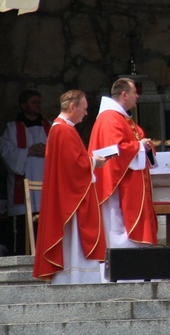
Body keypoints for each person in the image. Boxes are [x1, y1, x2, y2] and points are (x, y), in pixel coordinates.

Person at [33, 90, 107, 283]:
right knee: (74, 241)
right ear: (72, 107)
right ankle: (76, 277)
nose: (86, 113)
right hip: (71, 199)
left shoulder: (61, 129)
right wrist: (94, 162)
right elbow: (74, 166)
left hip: (68, 195)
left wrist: (89, 162)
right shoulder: (64, 131)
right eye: (83, 108)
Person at [89, 78, 158, 256]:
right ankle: (122, 262)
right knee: (117, 225)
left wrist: (145, 146)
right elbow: (115, 151)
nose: (137, 96)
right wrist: (140, 146)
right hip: (116, 186)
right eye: (135, 92)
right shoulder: (109, 118)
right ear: (124, 94)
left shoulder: (121, 117)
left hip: (127, 181)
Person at [0, 89, 50, 254]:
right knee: (23, 232)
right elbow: (6, 152)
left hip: (45, 183)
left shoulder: (49, 126)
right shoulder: (13, 128)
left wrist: (47, 150)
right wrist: (29, 151)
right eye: (33, 102)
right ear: (23, 105)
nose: (37, 105)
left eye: (39, 102)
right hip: (23, 186)